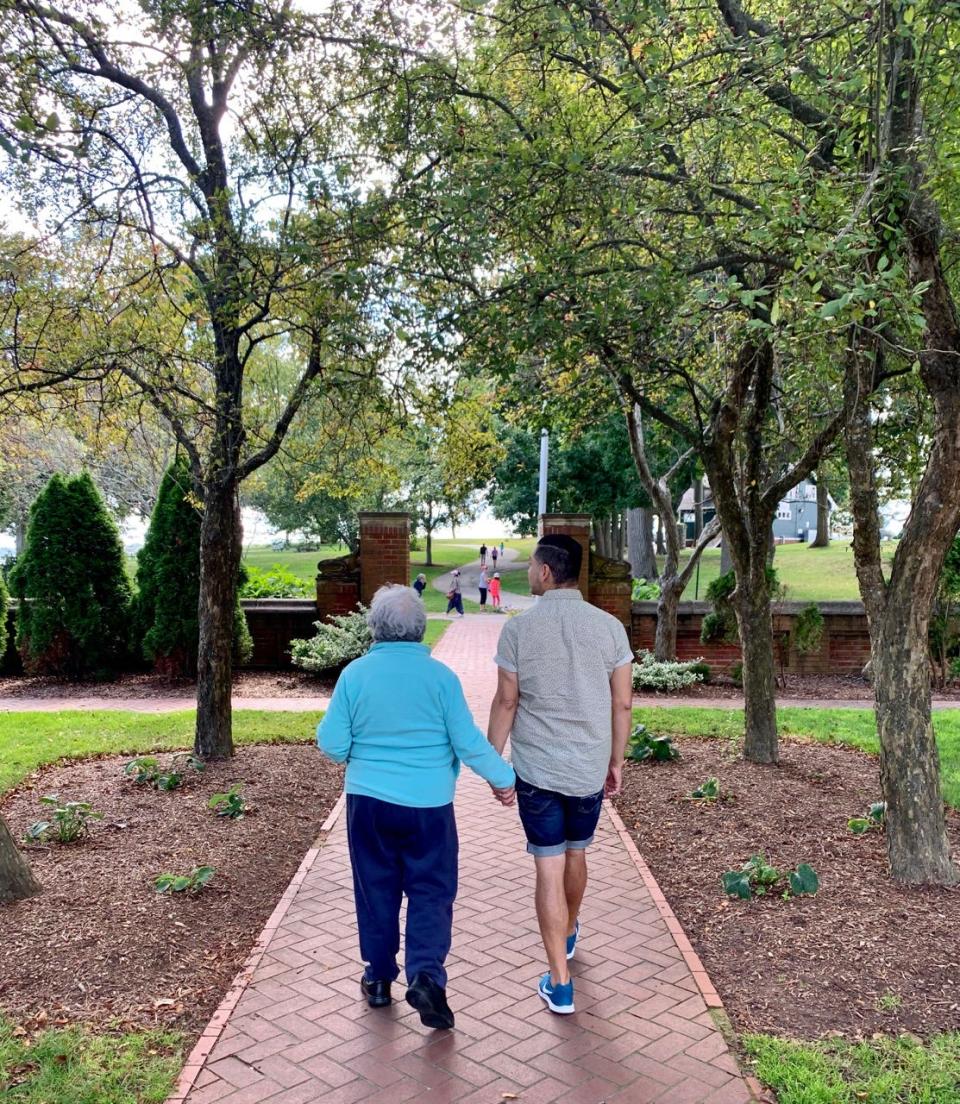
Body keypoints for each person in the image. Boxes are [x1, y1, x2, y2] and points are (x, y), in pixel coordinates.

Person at [318, 585, 515, 1030]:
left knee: (376, 890)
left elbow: (332, 744)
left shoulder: (355, 675)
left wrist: (358, 749)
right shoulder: (441, 678)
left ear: (375, 627)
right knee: (431, 892)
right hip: (429, 806)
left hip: (368, 803)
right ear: (421, 627)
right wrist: (504, 780)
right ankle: (426, 975)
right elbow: (467, 742)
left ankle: (379, 980)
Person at [486, 534, 634, 1015]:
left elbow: (507, 701)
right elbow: (623, 701)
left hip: (538, 770)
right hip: (589, 766)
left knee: (547, 864)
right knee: (577, 851)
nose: (528, 572)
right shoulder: (610, 628)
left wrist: (494, 764)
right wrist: (617, 760)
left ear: (546, 572)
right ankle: (569, 930)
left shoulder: (519, 630)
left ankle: (559, 981)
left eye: (531, 565)